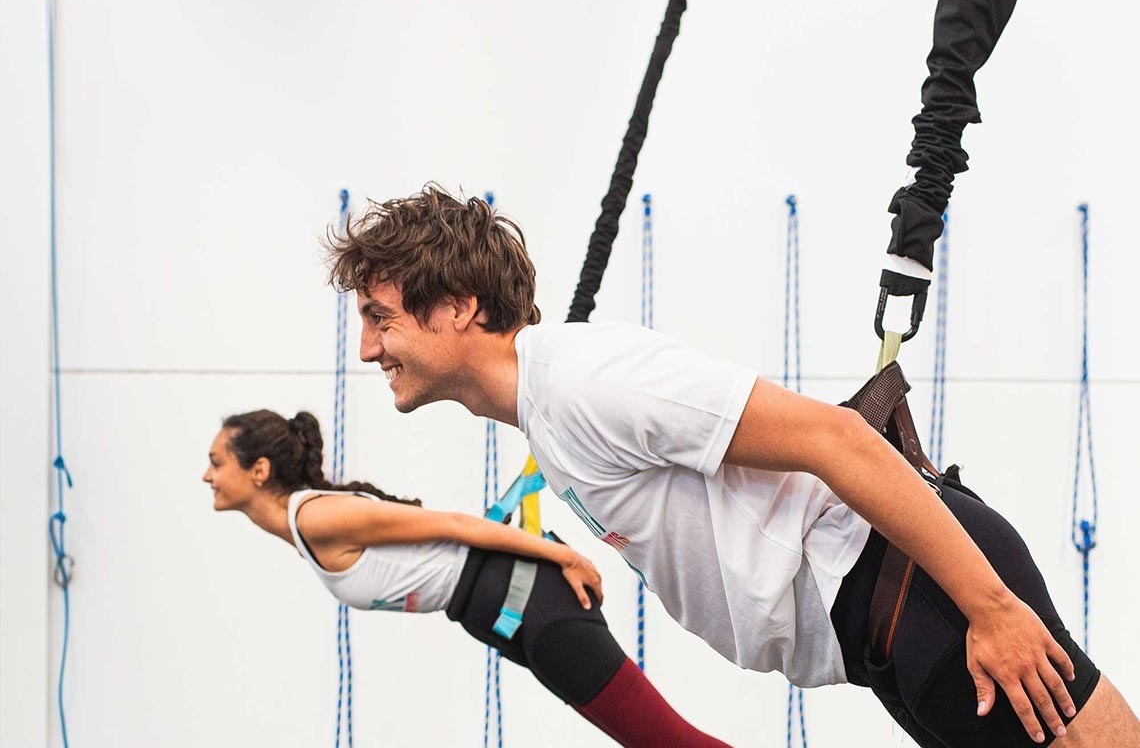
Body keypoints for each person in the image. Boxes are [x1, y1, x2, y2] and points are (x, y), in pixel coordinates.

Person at [324, 186, 1140, 747]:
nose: (367, 347)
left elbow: (839, 440)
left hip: (924, 595)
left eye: (380, 317)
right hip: (887, 631)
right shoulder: (548, 407)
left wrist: (991, 610)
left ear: (458, 307)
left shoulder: (581, 380)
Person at [203, 409, 730, 748]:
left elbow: (455, 525)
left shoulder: (317, 518)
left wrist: (561, 555)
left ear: (260, 470)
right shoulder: (306, 527)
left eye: (216, 462)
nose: (207, 475)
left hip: (534, 602)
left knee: (670, 744)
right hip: (511, 619)